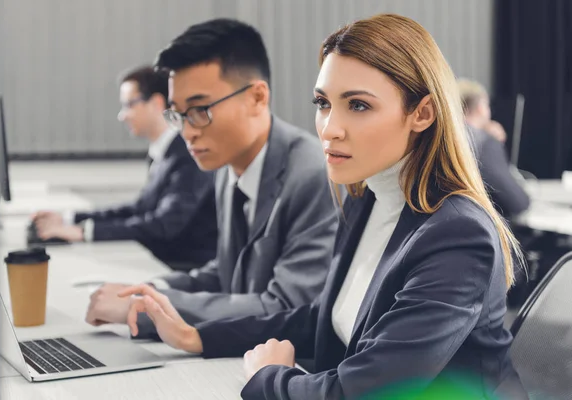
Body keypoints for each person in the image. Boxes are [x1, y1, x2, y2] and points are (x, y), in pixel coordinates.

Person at [119, 14, 528, 399]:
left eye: (359, 105)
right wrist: (199, 337)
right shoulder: (364, 199)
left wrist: (269, 379)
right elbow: (325, 316)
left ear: (422, 113)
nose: (330, 128)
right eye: (323, 103)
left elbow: (367, 390)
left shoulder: (457, 234)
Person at [85, 19, 336, 329]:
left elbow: (284, 306)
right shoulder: (226, 163)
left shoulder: (312, 175)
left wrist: (144, 309)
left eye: (200, 110)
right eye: (178, 115)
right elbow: (229, 272)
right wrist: (152, 289)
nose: (187, 132)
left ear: (257, 97)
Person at [31, 66, 217, 269]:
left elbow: (165, 224)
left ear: (156, 103)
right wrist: (71, 218)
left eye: (129, 105)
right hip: (161, 262)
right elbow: (140, 208)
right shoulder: (164, 151)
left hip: (185, 270)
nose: (122, 115)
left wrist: (84, 232)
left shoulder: (188, 154)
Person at [458, 78, 530, 219]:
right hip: (479, 227)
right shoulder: (485, 143)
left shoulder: (442, 138)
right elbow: (517, 202)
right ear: (480, 107)